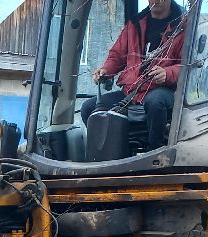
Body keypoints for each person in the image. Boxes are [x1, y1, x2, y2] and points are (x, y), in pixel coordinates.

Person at [80, 0, 187, 152]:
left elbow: (189, 64)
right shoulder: (135, 24)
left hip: (165, 90)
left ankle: (155, 153)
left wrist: (167, 73)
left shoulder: (184, 26)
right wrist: (105, 70)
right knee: (88, 108)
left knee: (155, 102)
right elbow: (117, 55)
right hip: (132, 92)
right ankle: (114, 152)